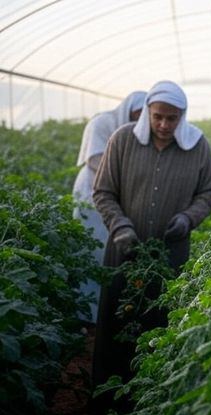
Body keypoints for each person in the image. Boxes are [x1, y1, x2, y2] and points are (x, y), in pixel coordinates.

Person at [80, 80, 211, 415]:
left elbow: (209, 193)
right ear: (148, 114)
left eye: (172, 118)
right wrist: (121, 227)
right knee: (114, 329)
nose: (163, 125)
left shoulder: (196, 146)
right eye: (158, 117)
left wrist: (188, 219)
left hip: (168, 258)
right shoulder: (123, 140)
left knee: (157, 331)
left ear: (182, 117)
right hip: (123, 253)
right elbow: (103, 191)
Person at [72, 90, 146, 323]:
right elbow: (94, 159)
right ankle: (86, 315)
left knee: (110, 253)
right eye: (137, 113)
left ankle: (107, 313)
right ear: (128, 109)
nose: (138, 119)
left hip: (117, 194)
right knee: (92, 251)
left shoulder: (138, 131)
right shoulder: (102, 122)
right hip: (92, 191)